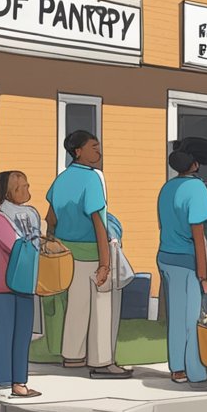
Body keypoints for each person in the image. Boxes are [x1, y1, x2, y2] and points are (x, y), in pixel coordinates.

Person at [46, 130, 131, 378]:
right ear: (78, 151)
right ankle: (102, 361)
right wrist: (105, 264)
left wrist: (52, 243)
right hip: (92, 252)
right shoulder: (92, 179)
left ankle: (72, 356)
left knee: (77, 305)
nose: (99, 151)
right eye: (93, 147)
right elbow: (99, 223)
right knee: (101, 307)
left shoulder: (61, 179)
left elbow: (50, 218)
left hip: (66, 253)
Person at [157, 139, 207, 391]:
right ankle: (197, 374)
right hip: (187, 260)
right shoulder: (197, 189)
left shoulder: (167, 188)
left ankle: (177, 367)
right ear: (197, 164)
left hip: (166, 256)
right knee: (192, 318)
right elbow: (198, 235)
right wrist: (204, 274)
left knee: (177, 316)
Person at [0, 171, 42, 398]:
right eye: (19, 186)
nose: (25, 189)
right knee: (5, 331)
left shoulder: (32, 212)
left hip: (27, 277)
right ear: (6, 191)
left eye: (26, 185)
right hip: (4, 278)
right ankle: (5, 378)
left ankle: (18, 380)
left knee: (22, 333)